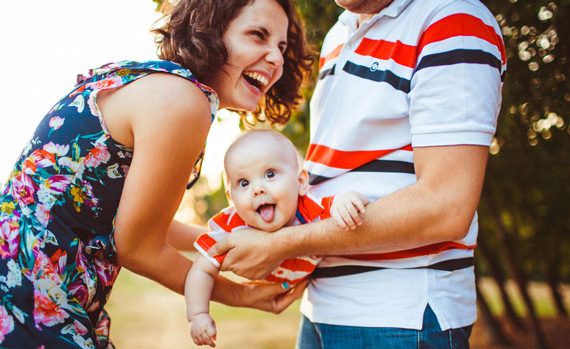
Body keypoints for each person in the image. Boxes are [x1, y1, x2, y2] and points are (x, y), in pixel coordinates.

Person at [0, 0, 313, 347]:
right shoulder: (182, 100)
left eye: (282, 47)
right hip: (25, 297)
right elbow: (136, 247)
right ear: (210, 29)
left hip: (27, 288)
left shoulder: (157, 82)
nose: (276, 58)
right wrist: (242, 295)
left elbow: (142, 223)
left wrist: (226, 241)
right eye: (258, 35)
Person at [206, 0, 507, 348]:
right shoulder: (339, 33)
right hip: (321, 309)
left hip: (397, 316)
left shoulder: (451, 19)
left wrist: (277, 244)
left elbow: (446, 207)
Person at [185, 130, 368, 347]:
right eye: (243, 183)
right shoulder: (231, 228)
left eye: (270, 174)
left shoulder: (311, 209)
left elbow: (356, 200)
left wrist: (348, 201)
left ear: (300, 182)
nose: (258, 189)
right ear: (230, 198)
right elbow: (201, 269)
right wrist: (198, 315)